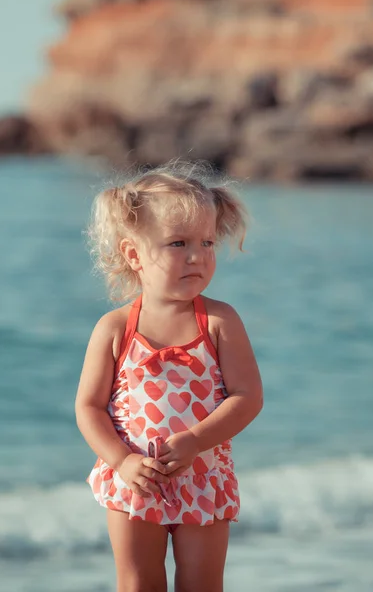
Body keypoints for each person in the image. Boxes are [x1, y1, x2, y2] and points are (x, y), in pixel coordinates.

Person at [75, 162, 263, 592]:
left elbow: (247, 396)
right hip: (135, 477)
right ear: (133, 254)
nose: (197, 255)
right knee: (138, 582)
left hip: (202, 474)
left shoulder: (218, 321)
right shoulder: (115, 328)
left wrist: (195, 441)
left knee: (201, 583)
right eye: (178, 243)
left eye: (208, 242)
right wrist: (121, 460)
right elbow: (88, 407)